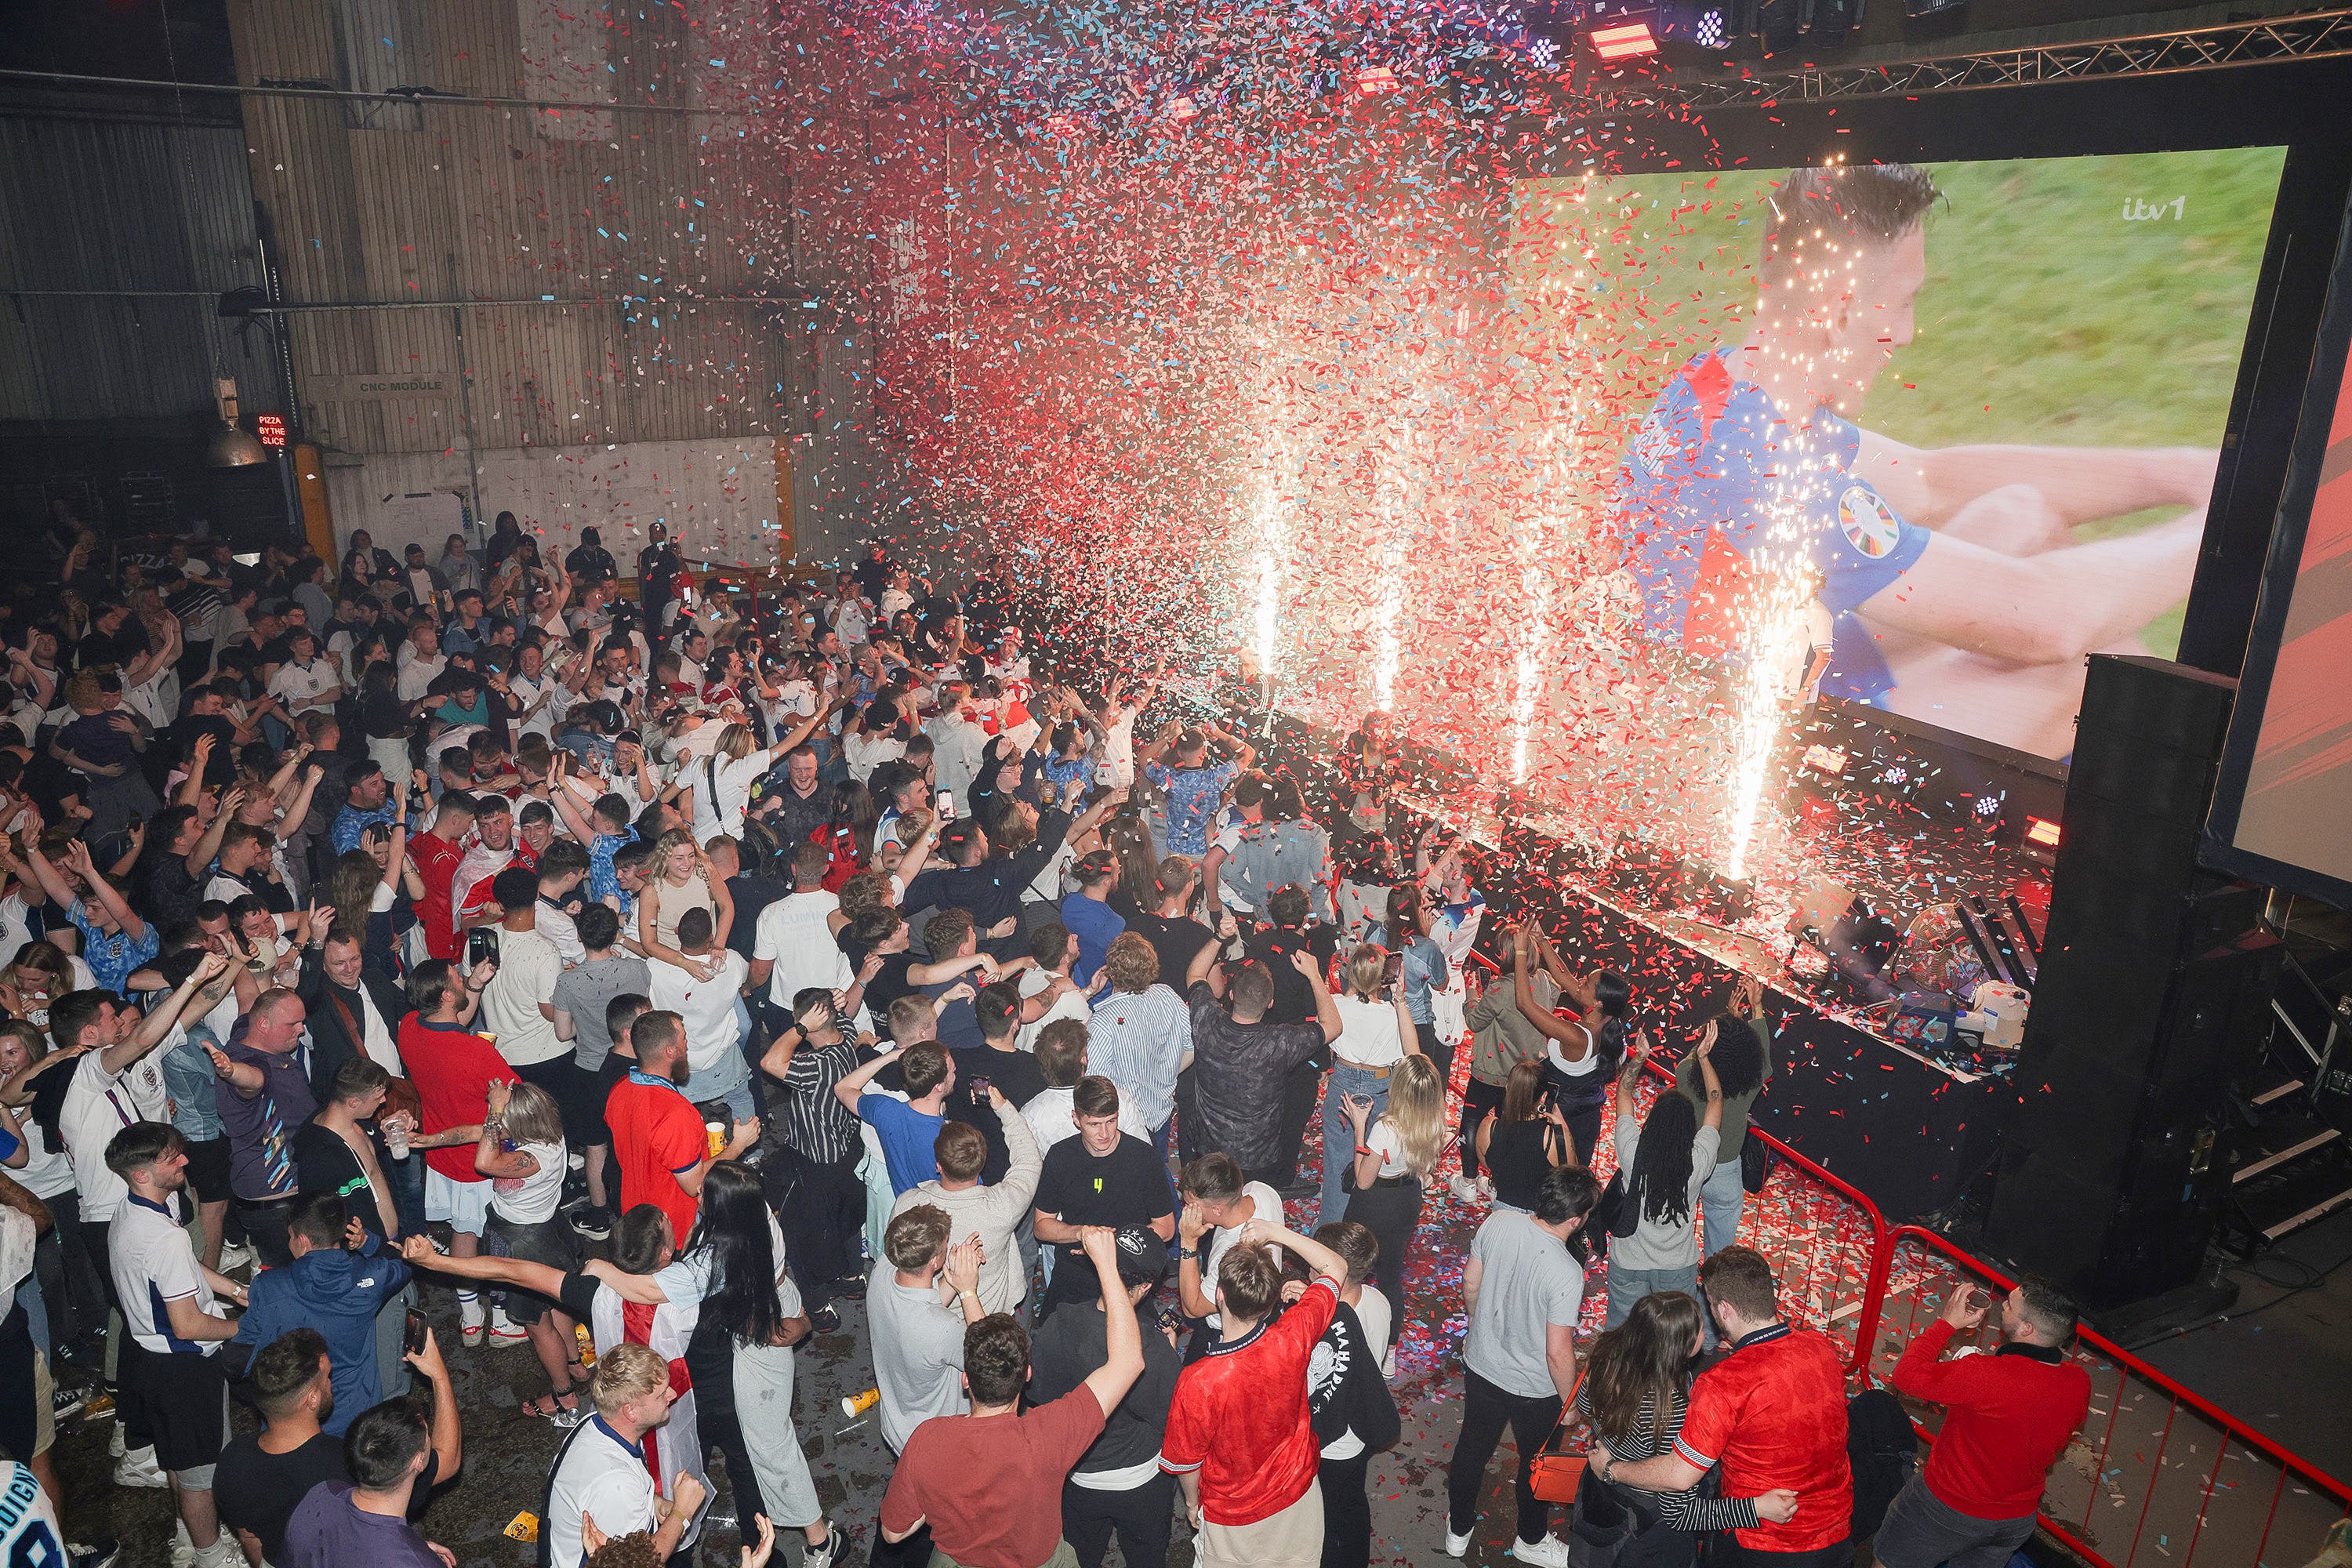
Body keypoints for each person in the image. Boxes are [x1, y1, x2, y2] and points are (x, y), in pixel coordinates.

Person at [1611, 162, 2216, 758]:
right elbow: (2050, 621)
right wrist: (2224, 522)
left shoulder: (1722, 384)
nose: (1904, 334)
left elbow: (1930, 479)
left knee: (2018, 514)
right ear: (1840, 310)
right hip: (1743, 764)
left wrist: (2175, 472)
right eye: (1903, 302)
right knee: (2084, 675)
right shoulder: (1774, 475)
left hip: (1748, 679)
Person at [878, 1225, 1146, 1567]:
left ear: (965, 1381)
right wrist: (1108, 1266)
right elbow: (1128, 1362)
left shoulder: (927, 1441)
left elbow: (893, 1533)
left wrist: (967, 1293)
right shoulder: (1049, 1434)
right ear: (1027, 1377)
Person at [1595, 1246, 1854, 1568]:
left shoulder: (1722, 1384)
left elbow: (1679, 1478)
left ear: (1724, 1309)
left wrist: (1610, 1469)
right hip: (1836, 1534)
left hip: (1759, 1543)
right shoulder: (1822, 1348)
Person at [1162, 1220, 1349, 1566]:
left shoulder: (1198, 1380)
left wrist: (1191, 1504)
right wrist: (1277, 1233)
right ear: (1268, 1304)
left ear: (1219, 1295)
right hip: (1298, 1496)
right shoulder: (1294, 1334)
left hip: (1234, 1519)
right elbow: (1336, 1266)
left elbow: (1187, 1463)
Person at [105, 1122, 249, 1568]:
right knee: (200, 1478)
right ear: (143, 1173)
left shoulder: (135, 1211)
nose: (185, 1161)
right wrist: (246, 1329)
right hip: (183, 1369)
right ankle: (210, 1554)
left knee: (178, 1463)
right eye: (173, 1159)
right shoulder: (165, 1235)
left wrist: (238, 1293)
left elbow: (184, 1267)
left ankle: (190, 1536)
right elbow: (187, 1325)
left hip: (149, 1360)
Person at [1443, 1164, 1602, 1567]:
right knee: (1538, 1464)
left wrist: (1480, 1330)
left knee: (1471, 1450)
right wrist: (1569, 1406)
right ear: (1574, 1219)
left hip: (1482, 1367)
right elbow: (1557, 1352)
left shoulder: (1498, 1221)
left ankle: (1458, 1530)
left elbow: (1470, 1283)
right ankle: (1531, 1540)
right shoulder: (1566, 1271)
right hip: (1535, 1390)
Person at [1878, 1278, 2092, 1568]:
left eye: (2011, 1304)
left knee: (1889, 1561)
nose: (2002, 1304)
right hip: (2016, 1521)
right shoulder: (2079, 1382)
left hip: (1947, 1508)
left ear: (2027, 1328)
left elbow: (1906, 1376)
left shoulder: (1983, 1375)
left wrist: (1946, 1323)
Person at [1571, 1291, 1793, 1568]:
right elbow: (1681, 1514)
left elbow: (1584, 1405)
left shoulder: (1606, 1356)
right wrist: (1757, 1508)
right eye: (1700, 1328)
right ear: (1682, 1346)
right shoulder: (1670, 1409)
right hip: (1646, 1533)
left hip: (1601, 1500)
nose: (1707, 1328)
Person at [216, 1323, 460, 1568]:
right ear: (312, 1398)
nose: (332, 1383)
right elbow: (446, 1462)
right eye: (327, 1377)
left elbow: (250, 1539)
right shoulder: (345, 1467)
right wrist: (439, 1376)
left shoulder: (232, 1460)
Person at [1025, 1227, 1181, 1568]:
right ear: (1144, 1287)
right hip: (1141, 1481)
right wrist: (1169, 1354)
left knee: (1082, 1558)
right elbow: (1172, 1415)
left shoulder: (1058, 1323)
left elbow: (1037, 1395)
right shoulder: (1150, 1347)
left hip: (1078, 1476)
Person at [228, 1194, 412, 1436]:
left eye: (291, 1235)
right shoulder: (371, 1277)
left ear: (302, 1240)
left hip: (293, 1424)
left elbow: (236, 1363)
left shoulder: (269, 1287)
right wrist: (367, 1242)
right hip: (358, 1418)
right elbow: (404, 1262)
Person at [394, 959, 510, 1342]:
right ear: (446, 995)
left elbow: (449, 1026)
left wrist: (473, 987)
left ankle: (471, 1317)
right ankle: (507, 1320)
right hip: (483, 1159)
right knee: (500, 1235)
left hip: (441, 1155)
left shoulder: (410, 1027)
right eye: (458, 978)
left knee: (463, 1231)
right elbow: (516, 1102)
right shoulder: (476, 1053)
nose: (463, 977)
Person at [1185, 941, 1340, 1189]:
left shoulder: (1207, 1021)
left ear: (1232, 994)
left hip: (1209, 1151)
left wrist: (1217, 937)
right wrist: (1314, 976)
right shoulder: (1279, 1042)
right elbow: (1333, 1027)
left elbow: (1195, 974)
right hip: (1259, 1159)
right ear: (1270, 1003)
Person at [476, 1078, 587, 1421]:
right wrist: (431, 1139)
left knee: (538, 1326)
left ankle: (565, 1395)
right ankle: (575, 1365)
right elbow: (478, 1135)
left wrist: (495, 1110)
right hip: (547, 1232)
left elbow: (483, 1161)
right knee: (557, 1303)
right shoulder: (549, 1134)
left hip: (525, 1243)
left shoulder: (531, 1157)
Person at [545, 1340, 710, 1568]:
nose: (672, 1394)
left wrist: (656, 1504)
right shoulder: (615, 1485)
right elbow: (637, 1563)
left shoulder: (595, 1424)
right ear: (630, 1411)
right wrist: (682, 1514)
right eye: (661, 1394)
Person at [759, 989, 867, 1330]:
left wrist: (800, 1029)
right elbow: (848, 1019)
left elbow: (770, 1063)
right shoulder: (847, 1041)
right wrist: (858, 983)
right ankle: (851, 1280)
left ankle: (818, 1308)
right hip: (848, 1152)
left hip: (816, 1163)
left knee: (806, 1238)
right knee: (848, 1221)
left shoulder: (816, 1065)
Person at [605, 1008, 758, 1244]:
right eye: (685, 1039)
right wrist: (739, 1145)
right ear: (670, 1051)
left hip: (637, 1211)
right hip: (674, 1227)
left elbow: (650, 1147)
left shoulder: (620, 1089)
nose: (687, 1046)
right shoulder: (675, 1113)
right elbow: (694, 1184)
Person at [886, 1087, 1042, 1317]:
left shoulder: (908, 1205)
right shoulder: (1003, 1206)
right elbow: (1029, 1158)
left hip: (931, 1316)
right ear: (982, 1163)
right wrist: (1003, 1108)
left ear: (939, 1165)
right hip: (991, 1317)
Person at [1606, 1027, 1722, 1330]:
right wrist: (1704, 1058)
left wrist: (1639, 1058)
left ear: (1652, 1121)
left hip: (1628, 1260)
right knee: (1672, 1339)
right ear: (1689, 1129)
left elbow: (1624, 1093)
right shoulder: (1697, 1161)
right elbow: (1715, 1102)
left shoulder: (1633, 1153)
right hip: (1676, 1266)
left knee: (1622, 1333)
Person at [1298, 1221, 1398, 1568]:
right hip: (1360, 1429)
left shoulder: (1330, 1323)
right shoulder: (1379, 1301)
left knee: (1324, 1515)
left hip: (1331, 1439)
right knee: (1353, 1503)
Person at [1032, 1076, 1174, 1316]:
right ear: (1076, 1119)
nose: (1105, 1134)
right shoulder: (1060, 1157)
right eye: (1094, 1124)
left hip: (1129, 1273)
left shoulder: (1143, 1157)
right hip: (1076, 1270)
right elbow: (1041, 1226)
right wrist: (1080, 1233)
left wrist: (1116, 1245)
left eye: (1111, 1121)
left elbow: (1167, 1227)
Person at [279, 1394, 463, 1567]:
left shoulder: (321, 1494)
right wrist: (412, 1556)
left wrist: (411, 1548)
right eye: (427, 1434)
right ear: (418, 1461)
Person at [866, 1204, 986, 1454]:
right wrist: (967, 1290)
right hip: (933, 1444)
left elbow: (922, 1302)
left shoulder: (883, 1269)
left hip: (898, 1426)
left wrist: (952, 1277)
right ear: (935, 1261)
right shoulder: (943, 1328)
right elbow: (988, 1362)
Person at [1319, 942, 1421, 1225]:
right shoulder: (1394, 1014)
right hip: (1381, 1088)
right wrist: (1400, 1000)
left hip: (1343, 1083)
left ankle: (1330, 1233)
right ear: (1384, 978)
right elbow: (1414, 1056)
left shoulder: (1335, 1005)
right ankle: (1365, 1232)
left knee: (1337, 1166)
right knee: (1375, 1168)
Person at [1457, 927, 1558, 1201]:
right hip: (1525, 1078)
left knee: (1473, 1121)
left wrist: (1471, 994)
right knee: (1510, 1128)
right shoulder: (1547, 982)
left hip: (1490, 1074)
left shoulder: (1501, 989)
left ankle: (1468, 1180)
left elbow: (1475, 1021)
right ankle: (1495, 1183)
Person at [1338, 1051, 1445, 1301]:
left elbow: (1363, 1180)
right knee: (1390, 1276)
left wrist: (1360, 1126)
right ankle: (1391, 1339)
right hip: (1408, 1198)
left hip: (1375, 1203)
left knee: (1349, 1268)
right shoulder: (1432, 1122)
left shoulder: (1385, 1129)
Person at [1082, 932, 1192, 1166]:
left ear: (1109, 970)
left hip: (1126, 1124)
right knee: (1156, 1169)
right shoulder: (1167, 995)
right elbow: (1192, 1046)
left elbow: (1097, 1083)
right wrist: (1169, 1073)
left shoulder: (1103, 1021)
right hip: (1162, 1110)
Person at [1682, 982, 1772, 1259]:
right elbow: (1762, 1061)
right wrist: (1754, 1009)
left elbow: (1700, 1062)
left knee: (1675, 1237)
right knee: (1719, 1253)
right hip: (1725, 1174)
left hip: (1688, 1165)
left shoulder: (1685, 1074)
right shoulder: (1752, 1082)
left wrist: (1729, 1024)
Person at [837, 1038, 956, 1196]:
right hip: (935, 1217)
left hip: (902, 1208)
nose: (955, 1074)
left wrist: (890, 1057)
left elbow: (842, 1088)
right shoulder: (948, 1141)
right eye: (953, 1071)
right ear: (938, 1087)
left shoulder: (886, 1112)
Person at [1478, 1060, 1578, 1214]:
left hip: (1500, 1213)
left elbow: (1488, 1162)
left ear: (1507, 1088)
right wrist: (1564, 1129)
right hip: (1539, 1219)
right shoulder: (1551, 1137)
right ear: (1544, 1096)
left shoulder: (1488, 1127)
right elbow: (1572, 1176)